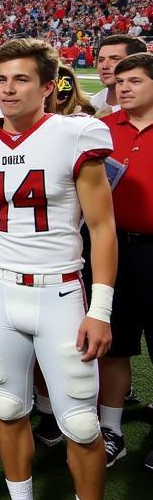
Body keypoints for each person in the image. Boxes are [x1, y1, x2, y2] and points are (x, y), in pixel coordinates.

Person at [0, 38, 125, 500]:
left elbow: (102, 228)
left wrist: (100, 310)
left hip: (59, 293)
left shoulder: (75, 134)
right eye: (1, 78)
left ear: (49, 86)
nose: (7, 88)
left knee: (79, 421)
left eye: (22, 79)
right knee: (8, 407)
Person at [96, 52, 153, 470]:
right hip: (113, 248)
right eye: (120, 80)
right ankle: (112, 428)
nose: (124, 87)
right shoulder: (100, 129)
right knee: (114, 344)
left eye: (134, 80)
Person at [90, 34, 147, 114]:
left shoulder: (145, 110)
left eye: (115, 59)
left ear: (137, 63)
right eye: (101, 60)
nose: (105, 66)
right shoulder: (94, 102)